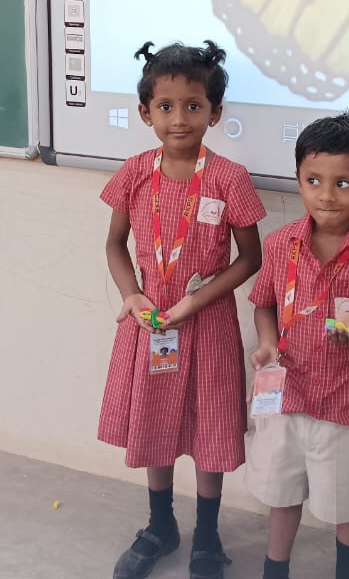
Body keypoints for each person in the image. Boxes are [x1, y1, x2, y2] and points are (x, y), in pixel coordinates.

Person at [99, 41, 265, 579]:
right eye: (165, 106)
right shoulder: (134, 173)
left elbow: (251, 258)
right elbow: (114, 245)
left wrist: (195, 301)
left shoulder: (229, 178)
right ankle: (160, 525)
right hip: (151, 324)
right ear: (145, 112)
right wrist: (132, 294)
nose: (179, 118)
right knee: (155, 420)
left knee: (210, 426)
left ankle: (208, 535)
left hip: (208, 323)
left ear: (214, 113)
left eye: (194, 106)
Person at [246, 112, 349, 579]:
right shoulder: (281, 244)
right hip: (286, 398)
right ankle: (275, 570)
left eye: (343, 183)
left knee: (346, 507)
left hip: (344, 407)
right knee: (281, 496)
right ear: (298, 179)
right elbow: (264, 304)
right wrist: (267, 343)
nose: (326, 195)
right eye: (313, 180)